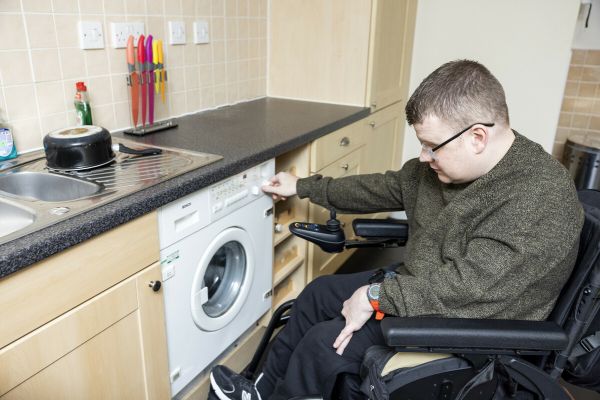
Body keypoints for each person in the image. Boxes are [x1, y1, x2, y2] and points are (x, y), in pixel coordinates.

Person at [209, 60, 584, 400]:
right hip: (424, 289)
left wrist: (375, 296)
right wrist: (303, 187)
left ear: (477, 137)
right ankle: (259, 392)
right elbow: (382, 187)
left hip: (477, 324)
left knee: (324, 345)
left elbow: (472, 287)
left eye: (431, 146)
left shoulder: (538, 196)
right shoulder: (445, 168)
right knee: (318, 295)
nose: (423, 157)